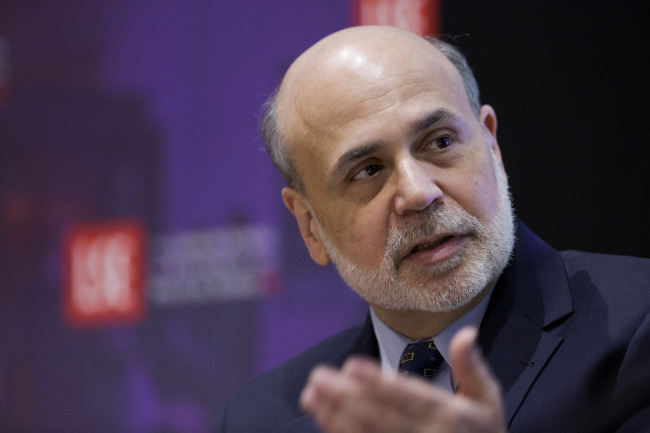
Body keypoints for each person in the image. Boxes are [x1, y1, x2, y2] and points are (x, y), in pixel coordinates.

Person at [215, 26, 650, 433]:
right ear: (309, 225)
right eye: (368, 169)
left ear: (491, 145)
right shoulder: (257, 419)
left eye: (440, 142)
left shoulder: (636, 329)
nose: (418, 193)